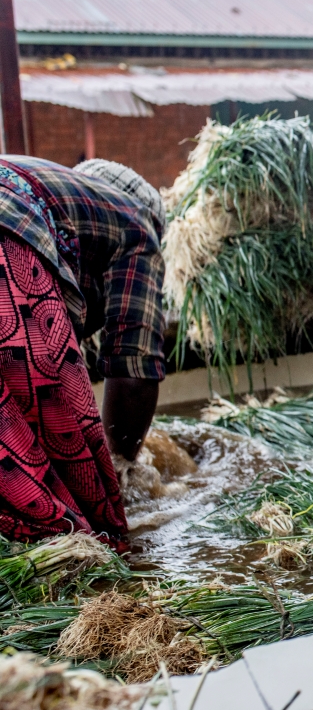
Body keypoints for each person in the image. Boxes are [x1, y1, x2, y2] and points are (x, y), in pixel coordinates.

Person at [0, 157, 165, 548]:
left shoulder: (56, 197)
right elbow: (134, 369)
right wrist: (122, 467)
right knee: (83, 518)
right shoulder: (138, 221)